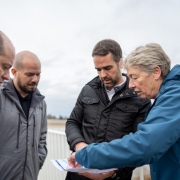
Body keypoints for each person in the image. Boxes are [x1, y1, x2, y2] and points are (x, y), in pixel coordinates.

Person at [68, 43, 180, 180]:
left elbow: (144, 144)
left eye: (135, 77)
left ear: (156, 72)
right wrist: (80, 145)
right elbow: (73, 122)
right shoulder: (88, 89)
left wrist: (86, 155)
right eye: (98, 70)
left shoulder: (175, 96)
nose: (131, 85)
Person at [0, 51, 47, 180]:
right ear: (14, 72)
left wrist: (37, 163)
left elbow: (42, 138)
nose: (35, 79)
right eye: (30, 74)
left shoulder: (41, 103)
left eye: (38, 74)